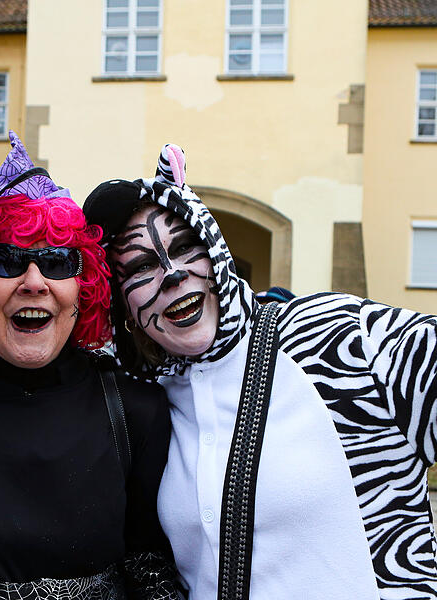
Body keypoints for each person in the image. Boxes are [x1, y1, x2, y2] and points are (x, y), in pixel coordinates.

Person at [83, 143, 437, 600]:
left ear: (216, 251)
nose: (173, 275)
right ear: (124, 306)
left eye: (186, 247)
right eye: (141, 267)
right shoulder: (146, 398)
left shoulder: (339, 336)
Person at [0, 132, 181, 600]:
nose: (34, 282)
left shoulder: (136, 408)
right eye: (7, 260)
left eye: (56, 262)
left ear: (83, 290)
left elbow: (154, 568)